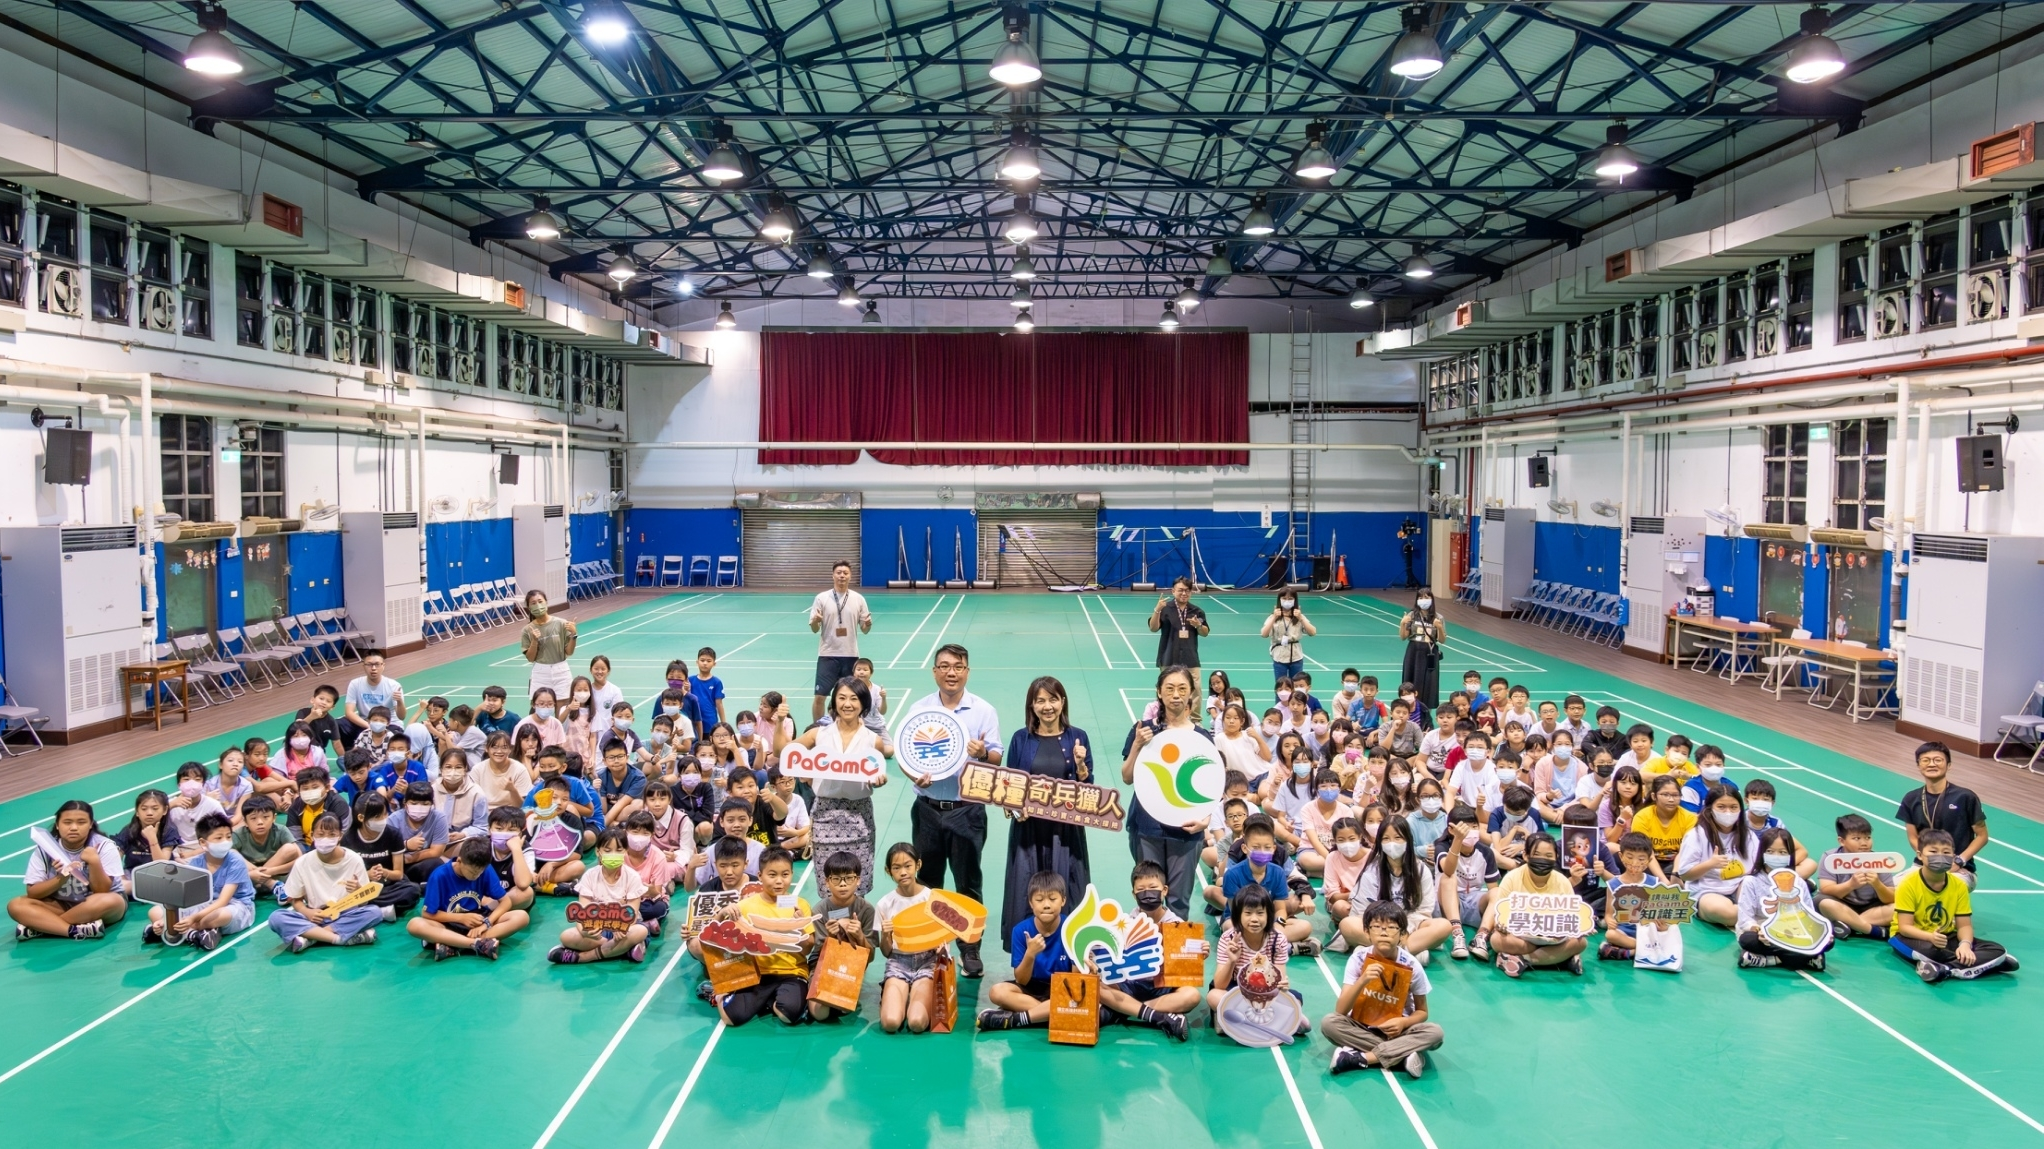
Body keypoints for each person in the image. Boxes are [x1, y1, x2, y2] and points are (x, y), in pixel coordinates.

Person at [901, 643, 1002, 978]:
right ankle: (931, 944)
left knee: (967, 881)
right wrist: (915, 774)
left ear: (967, 671)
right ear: (935, 672)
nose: (951, 672)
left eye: (958, 666)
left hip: (967, 810)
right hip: (927, 809)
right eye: (944, 666)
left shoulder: (983, 710)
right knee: (928, 880)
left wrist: (983, 751)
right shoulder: (920, 708)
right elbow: (906, 755)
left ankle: (969, 948)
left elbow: (998, 757)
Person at [999, 675, 1095, 949]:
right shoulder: (1021, 738)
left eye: (1053, 699)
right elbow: (1009, 788)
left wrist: (1080, 766)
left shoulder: (1078, 737)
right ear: (1031, 706)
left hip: (1065, 832)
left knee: (1067, 889)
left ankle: (1068, 951)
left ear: (1062, 702)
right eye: (1040, 700)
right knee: (1026, 889)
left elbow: (1088, 791)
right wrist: (1014, 809)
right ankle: (1027, 954)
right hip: (1029, 832)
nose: (1047, 706)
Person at [777, 675, 892, 895]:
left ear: (863, 704)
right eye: (842, 698)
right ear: (834, 702)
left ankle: (856, 926)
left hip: (859, 816)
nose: (847, 704)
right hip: (824, 814)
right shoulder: (817, 735)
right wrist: (780, 722)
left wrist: (880, 781)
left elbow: (876, 776)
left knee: (857, 882)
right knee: (829, 881)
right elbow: (782, 752)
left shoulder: (873, 740)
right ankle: (831, 926)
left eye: (854, 699)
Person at [1121, 665, 1213, 921]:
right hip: (1147, 828)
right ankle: (1148, 958)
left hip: (1186, 831)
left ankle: (1175, 960)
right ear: (1159, 693)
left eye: (1182, 688)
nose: (1176, 694)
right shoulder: (1144, 730)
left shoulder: (1203, 737)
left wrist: (1205, 821)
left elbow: (1211, 787)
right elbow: (1127, 777)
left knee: (1178, 901)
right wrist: (1138, 744)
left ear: (1191, 694)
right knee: (1149, 898)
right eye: (1169, 688)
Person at [1325, 899, 1445, 1079]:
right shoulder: (1358, 960)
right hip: (1362, 1025)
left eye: (1391, 928)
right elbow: (1341, 1010)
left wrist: (1403, 1023)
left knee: (1435, 1033)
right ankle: (1402, 1055)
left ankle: (1362, 1057)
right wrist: (1363, 979)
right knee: (1329, 1023)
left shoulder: (1412, 965)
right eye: (1377, 927)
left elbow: (1422, 1011)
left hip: (1397, 1029)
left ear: (1402, 934)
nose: (1384, 933)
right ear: (1367, 932)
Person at [1890, 830, 2017, 983]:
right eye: (1933, 851)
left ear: (1953, 856)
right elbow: (1904, 927)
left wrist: (1964, 945)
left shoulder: (1958, 885)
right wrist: (1930, 937)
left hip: (1946, 936)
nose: (1940, 856)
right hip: (1910, 937)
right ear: (1919, 855)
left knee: (1997, 949)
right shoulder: (1908, 884)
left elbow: (1964, 926)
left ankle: (1946, 970)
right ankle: (1986, 965)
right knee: (1930, 953)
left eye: (1946, 852)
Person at [1095, 861, 1198, 1041]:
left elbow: (1186, 966)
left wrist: (1199, 953)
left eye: (1152, 887)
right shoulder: (1125, 922)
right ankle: (1157, 1016)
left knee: (1192, 996)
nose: (1147, 893)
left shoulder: (1178, 925)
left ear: (1164, 890)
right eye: (1141, 889)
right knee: (1098, 986)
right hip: (1130, 985)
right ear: (1133, 894)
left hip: (1162, 988)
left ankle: (1126, 1010)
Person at [715, 847, 815, 1024]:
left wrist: (799, 928)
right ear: (760, 875)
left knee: (789, 1014)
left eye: (785, 875)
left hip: (792, 972)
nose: (779, 881)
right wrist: (722, 914)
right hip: (756, 974)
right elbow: (717, 940)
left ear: (792, 874)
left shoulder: (800, 905)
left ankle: (768, 1001)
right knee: (732, 1018)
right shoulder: (745, 906)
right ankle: (719, 994)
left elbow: (808, 948)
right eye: (772, 875)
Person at [10, 800, 127, 940]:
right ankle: (72, 930)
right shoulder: (45, 848)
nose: (73, 827)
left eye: (81, 822)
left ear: (90, 824)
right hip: (62, 904)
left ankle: (44, 927)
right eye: (67, 822)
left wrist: (94, 861)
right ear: (57, 825)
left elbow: (102, 891)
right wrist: (61, 878)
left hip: (94, 903)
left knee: (112, 901)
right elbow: (33, 892)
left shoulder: (104, 846)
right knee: (16, 905)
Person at [977, 870, 1075, 1032]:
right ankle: (1051, 1015)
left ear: (1063, 900)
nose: (1046, 905)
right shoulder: (1021, 931)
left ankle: (1023, 1018)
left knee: (1078, 999)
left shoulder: (1072, 929)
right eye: (1039, 899)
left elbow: (1076, 980)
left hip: (1062, 989)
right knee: (997, 992)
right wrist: (1030, 954)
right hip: (1031, 989)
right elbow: (1021, 980)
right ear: (1031, 902)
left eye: (1052, 899)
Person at [1345, 816, 1454, 959]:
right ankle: (1406, 954)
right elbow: (1363, 912)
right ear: (1380, 843)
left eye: (1398, 838)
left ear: (1407, 840)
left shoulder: (1421, 870)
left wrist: (1403, 931)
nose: (1392, 844)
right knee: (1347, 924)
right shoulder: (1371, 872)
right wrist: (1385, 928)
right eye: (1386, 839)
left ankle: (1380, 953)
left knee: (1444, 926)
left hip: (1409, 928)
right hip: (1377, 927)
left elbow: (1424, 911)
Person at [270, 813, 381, 952]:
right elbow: (296, 900)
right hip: (315, 916)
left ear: (340, 835)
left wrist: (358, 890)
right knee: (276, 918)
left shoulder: (354, 859)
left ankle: (312, 937)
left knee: (374, 912)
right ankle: (338, 939)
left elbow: (364, 903)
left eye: (332, 834)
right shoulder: (303, 862)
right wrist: (307, 912)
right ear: (312, 834)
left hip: (345, 914)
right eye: (321, 834)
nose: (326, 839)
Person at [1481, 833, 1587, 978]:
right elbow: (1501, 915)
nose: (1542, 860)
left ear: (1556, 857)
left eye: (1548, 855)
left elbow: (1570, 916)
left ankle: (1523, 960)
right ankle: (1558, 958)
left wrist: (1580, 927)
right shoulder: (1511, 878)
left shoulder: (1563, 881)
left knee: (1580, 943)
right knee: (1496, 940)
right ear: (1525, 855)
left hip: (1553, 939)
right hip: (1521, 937)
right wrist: (1501, 926)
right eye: (1536, 854)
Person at [143, 812, 253, 950]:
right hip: (204, 904)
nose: (225, 841)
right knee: (155, 911)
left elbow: (223, 902)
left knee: (214, 917)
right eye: (218, 838)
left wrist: (190, 919)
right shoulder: (195, 863)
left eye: (228, 837)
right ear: (202, 842)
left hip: (236, 906)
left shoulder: (235, 861)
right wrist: (161, 919)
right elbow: (187, 897)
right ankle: (197, 933)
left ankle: (173, 930)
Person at [408, 838, 529, 960]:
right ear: (460, 861)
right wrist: (461, 918)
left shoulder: (485, 869)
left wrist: (486, 924)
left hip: (477, 921)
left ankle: (453, 944)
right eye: (472, 872)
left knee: (521, 916)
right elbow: (427, 914)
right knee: (414, 925)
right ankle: (475, 944)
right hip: (448, 922)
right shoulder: (439, 875)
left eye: (479, 872)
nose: (476, 876)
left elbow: (506, 901)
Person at [1207, 885, 1302, 1036]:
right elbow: (1219, 984)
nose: (1254, 919)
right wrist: (1232, 960)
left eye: (1260, 913)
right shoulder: (1229, 938)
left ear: (1268, 915)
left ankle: (1236, 1021)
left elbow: (1279, 979)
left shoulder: (1278, 939)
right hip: (1236, 990)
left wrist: (1282, 986)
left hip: (1266, 992)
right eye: (1248, 913)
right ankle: (1271, 1022)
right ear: (1238, 916)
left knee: (1296, 1000)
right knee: (1213, 996)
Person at [1732, 828, 1832, 971]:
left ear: (1790, 855)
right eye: (1771, 851)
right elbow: (1745, 919)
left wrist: (1819, 934)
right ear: (1762, 853)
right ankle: (1805, 959)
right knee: (1747, 940)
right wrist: (1759, 930)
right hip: (1762, 934)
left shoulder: (1799, 883)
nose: (1776, 856)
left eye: (1783, 852)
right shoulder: (1750, 882)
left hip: (1793, 933)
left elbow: (1808, 915)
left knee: (1827, 942)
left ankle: (1767, 960)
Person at [551, 828, 651, 965]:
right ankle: (621, 950)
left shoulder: (632, 877)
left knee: (640, 931)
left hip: (624, 929)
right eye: (608, 850)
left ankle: (583, 957)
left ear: (626, 851)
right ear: (598, 851)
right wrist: (584, 931)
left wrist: (622, 928)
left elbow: (631, 914)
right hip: (597, 930)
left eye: (619, 850)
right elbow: (582, 913)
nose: (613, 854)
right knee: (566, 936)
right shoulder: (589, 876)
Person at [1896, 741, 1987, 888]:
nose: (1932, 764)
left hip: (1959, 869)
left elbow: (1982, 836)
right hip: (1922, 866)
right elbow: (1913, 837)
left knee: (1939, 887)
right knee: (1892, 889)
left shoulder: (1965, 797)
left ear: (1948, 765)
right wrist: (1928, 859)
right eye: (1925, 760)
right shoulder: (1911, 798)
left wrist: (1959, 861)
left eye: (1938, 760)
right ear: (1918, 765)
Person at [872, 843, 940, 1034]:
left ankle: (918, 996)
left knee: (917, 1023)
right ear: (888, 870)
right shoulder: (884, 904)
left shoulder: (932, 898)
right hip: (898, 963)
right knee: (890, 1023)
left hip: (927, 962)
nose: (903, 872)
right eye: (896, 867)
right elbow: (886, 952)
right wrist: (886, 935)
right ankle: (895, 996)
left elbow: (943, 941)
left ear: (918, 865)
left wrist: (942, 948)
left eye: (908, 866)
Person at [807, 850, 877, 1023]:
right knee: (819, 1013)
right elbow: (820, 953)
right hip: (824, 961)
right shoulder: (819, 911)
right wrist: (831, 937)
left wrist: (859, 935)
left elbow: (871, 957)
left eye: (849, 878)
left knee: (843, 1007)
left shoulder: (867, 910)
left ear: (858, 880)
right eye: (836, 879)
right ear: (827, 882)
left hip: (853, 962)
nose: (843, 884)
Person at [1676, 784, 1759, 930]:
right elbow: (1685, 874)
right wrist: (1709, 864)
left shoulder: (1749, 836)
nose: (1728, 812)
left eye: (1733, 807)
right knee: (1728, 914)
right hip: (1707, 891)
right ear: (1709, 809)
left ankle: (1749, 914)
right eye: (1721, 807)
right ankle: (1748, 915)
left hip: (1739, 886)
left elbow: (1757, 868)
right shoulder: (1696, 835)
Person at [807, 560, 874, 719]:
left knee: (850, 696)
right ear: (833, 575)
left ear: (850, 576)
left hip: (850, 655)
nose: (842, 576)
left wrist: (868, 624)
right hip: (827, 654)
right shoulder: (822, 598)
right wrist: (816, 620)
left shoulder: (858, 599)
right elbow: (814, 629)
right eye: (839, 573)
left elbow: (865, 630)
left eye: (845, 573)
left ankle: (849, 726)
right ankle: (817, 729)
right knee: (820, 697)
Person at [1816, 814, 1897, 940]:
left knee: (1899, 907)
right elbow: (1826, 889)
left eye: (1868, 837)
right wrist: (1850, 885)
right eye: (1857, 838)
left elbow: (1891, 898)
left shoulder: (1879, 860)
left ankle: (1850, 925)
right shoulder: (1830, 858)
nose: (1864, 843)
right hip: (1843, 905)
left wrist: (1877, 884)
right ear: (1841, 841)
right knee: (1824, 902)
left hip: (1872, 908)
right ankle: (1873, 931)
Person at [232, 795, 302, 896]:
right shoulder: (238, 835)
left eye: (265, 817)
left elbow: (299, 859)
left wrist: (270, 871)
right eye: (253, 818)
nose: (260, 822)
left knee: (290, 848)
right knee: (231, 853)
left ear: (274, 818)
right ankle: (271, 884)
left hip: (274, 876)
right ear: (245, 822)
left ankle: (262, 882)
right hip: (250, 878)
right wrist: (251, 875)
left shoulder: (281, 830)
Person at [518, 589, 577, 698]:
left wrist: (573, 634)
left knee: (563, 708)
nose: (538, 605)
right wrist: (534, 641)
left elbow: (569, 652)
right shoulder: (527, 630)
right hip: (540, 672)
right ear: (529, 607)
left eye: (540, 601)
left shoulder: (561, 623)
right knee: (539, 707)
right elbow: (530, 658)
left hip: (561, 670)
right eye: (533, 603)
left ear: (546, 602)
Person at [1146, 577, 1209, 681]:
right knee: (1168, 690)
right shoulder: (1165, 609)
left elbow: (1205, 633)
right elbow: (1153, 628)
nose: (1184, 593)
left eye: (1187, 590)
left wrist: (1198, 625)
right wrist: (1157, 609)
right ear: (1173, 591)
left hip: (1191, 660)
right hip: (1168, 658)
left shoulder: (1197, 611)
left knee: (1195, 693)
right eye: (1181, 590)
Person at [390, 781, 451, 884]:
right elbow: (386, 852)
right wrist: (406, 845)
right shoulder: (393, 820)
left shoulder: (439, 818)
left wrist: (410, 858)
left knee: (437, 863)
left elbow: (436, 851)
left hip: (420, 862)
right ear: (405, 803)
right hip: (397, 864)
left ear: (432, 804)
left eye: (425, 804)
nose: (419, 807)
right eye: (414, 803)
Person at [341, 652, 405, 746]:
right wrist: (370, 726)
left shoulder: (394, 685)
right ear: (363, 666)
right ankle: (349, 756)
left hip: (388, 724)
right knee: (340, 724)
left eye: (377, 664)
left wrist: (399, 701)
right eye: (369, 664)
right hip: (365, 723)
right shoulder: (355, 684)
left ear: (383, 665)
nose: (373, 668)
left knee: (395, 740)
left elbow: (402, 716)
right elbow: (349, 712)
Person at [111, 789, 180, 874]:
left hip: (161, 876)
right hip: (133, 874)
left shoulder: (169, 831)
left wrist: (152, 838)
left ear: (165, 810)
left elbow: (162, 867)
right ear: (137, 811)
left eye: (155, 808)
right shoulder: (128, 831)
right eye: (144, 809)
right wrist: (119, 878)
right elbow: (114, 861)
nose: (149, 813)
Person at [1398, 590, 1446, 711]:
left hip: (1430, 652)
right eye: (1420, 597)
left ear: (1431, 599)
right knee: (1411, 679)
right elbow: (1403, 637)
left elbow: (1442, 640)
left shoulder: (1438, 617)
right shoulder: (1411, 616)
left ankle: (1425, 711)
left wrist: (1439, 627)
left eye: (1426, 597)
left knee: (1430, 682)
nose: (1423, 600)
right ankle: (1409, 708)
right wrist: (1402, 624)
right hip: (1414, 651)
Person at [1262, 591, 1316, 682]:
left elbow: (1313, 632)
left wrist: (1301, 618)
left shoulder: (1299, 617)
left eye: (1290, 599)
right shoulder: (1274, 617)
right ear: (1280, 600)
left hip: (1296, 657)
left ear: (1295, 601)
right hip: (1279, 657)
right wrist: (1274, 617)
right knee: (1281, 686)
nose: (1287, 601)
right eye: (1284, 598)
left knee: (1296, 685)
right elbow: (1264, 634)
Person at [690, 647, 727, 730]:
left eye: (709, 661)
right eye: (702, 660)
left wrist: (724, 723)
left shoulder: (716, 682)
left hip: (710, 723)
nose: (705, 663)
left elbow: (719, 704)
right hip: (693, 722)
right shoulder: (690, 680)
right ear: (697, 662)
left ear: (714, 664)